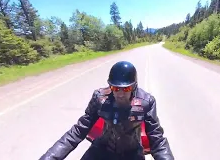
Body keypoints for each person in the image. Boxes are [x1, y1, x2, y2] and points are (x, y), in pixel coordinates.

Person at [39, 61, 174, 160]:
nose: (120, 93)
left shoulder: (147, 102)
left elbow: (157, 139)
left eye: (126, 89)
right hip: (100, 150)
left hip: (132, 154)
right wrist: (50, 157)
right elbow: (78, 130)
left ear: (133, 87)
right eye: (115, 88)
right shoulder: (99, 98)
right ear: (110, 86)